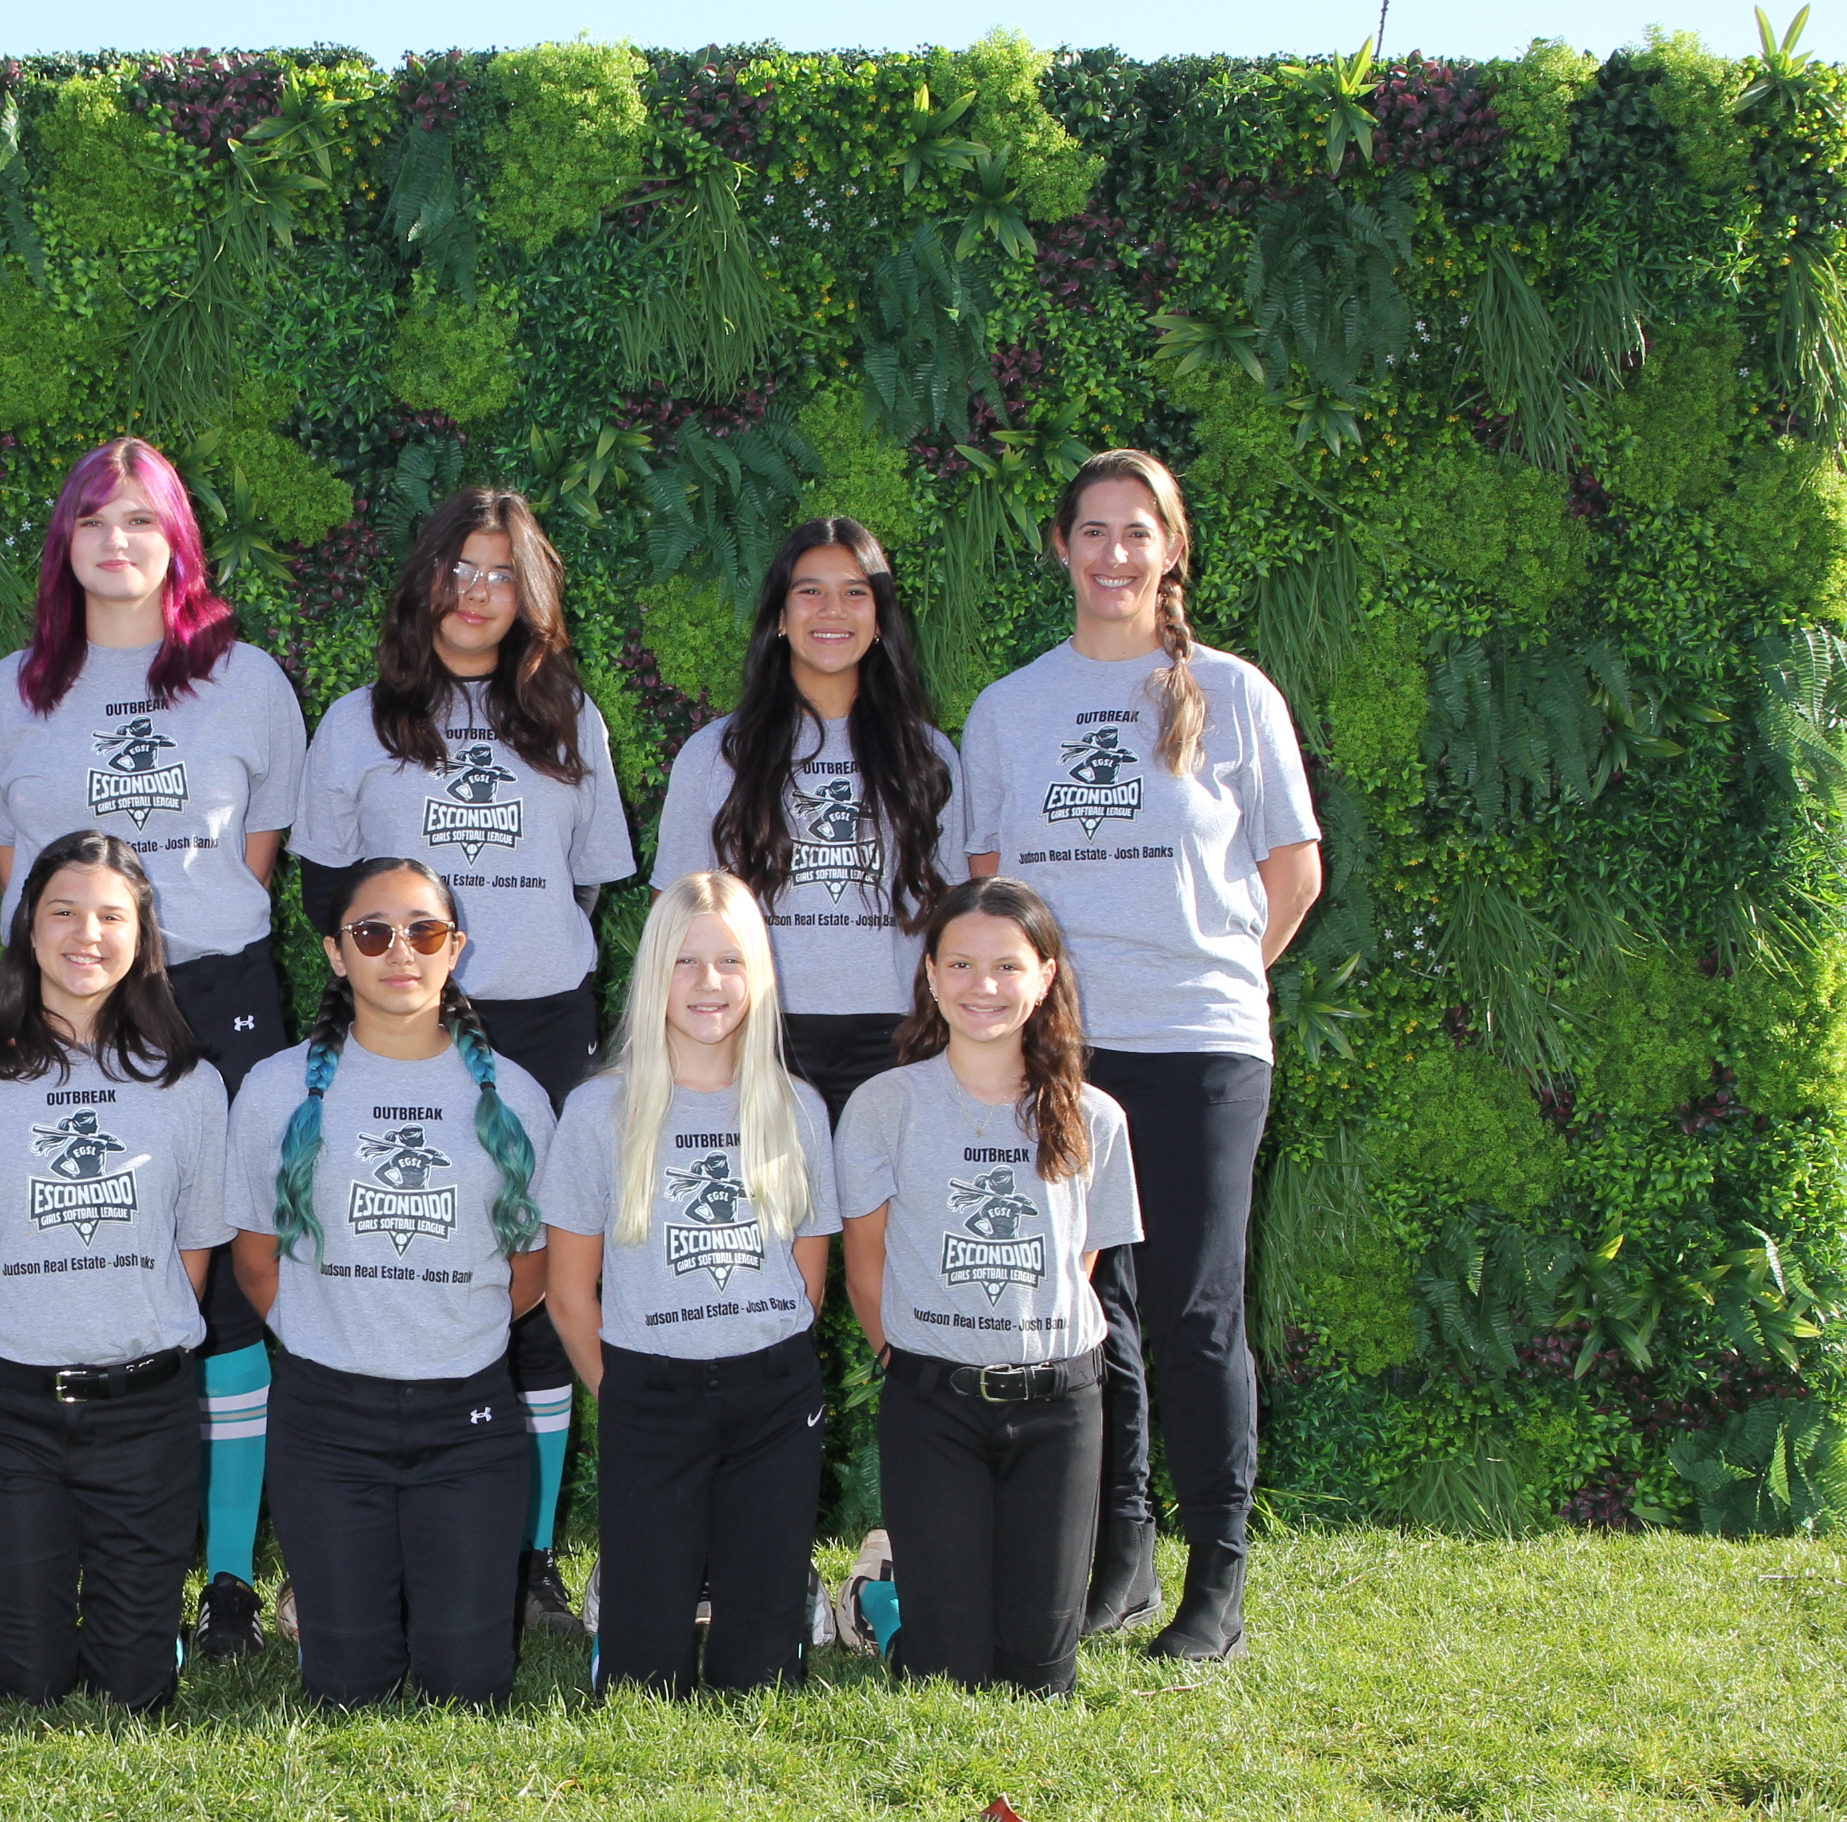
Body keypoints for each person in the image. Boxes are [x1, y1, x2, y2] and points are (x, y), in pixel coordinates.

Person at [959, 450, 1323, 1663]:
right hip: (1065, 1049)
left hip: (1201, 1044)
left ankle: (1217, 1580)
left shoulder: (1233, 693)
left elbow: (1294, 875)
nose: (1115, 554)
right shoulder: (1011, 709)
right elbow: (991, 894)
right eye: (1094, 532)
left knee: (1194, 1308)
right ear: (1061, 547)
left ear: (1171, 550)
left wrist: (1213, 976)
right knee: (1089, 1304)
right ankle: (1121, 1554)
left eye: (1138, 532)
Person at [0, 437, 306, 1662]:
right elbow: (17, 877)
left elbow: (253, 860)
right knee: (80, 1240)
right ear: (64, 541)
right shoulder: (11, 692)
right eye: (95, 520)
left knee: (231, 1281)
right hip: (69, 1002)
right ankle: (41, 1545)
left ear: (179, 541)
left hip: (213, 990)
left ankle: (227, 1577)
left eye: (142, 521)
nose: (118, 542)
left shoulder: (247, 682)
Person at [296, 487, 633, 1635]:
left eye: (502, 573)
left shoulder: (570, 717)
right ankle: (369, 1524)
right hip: (403, 1025)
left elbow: (584, 885)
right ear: (424, 580)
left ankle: (527, 1554)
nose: (479, 593)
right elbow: (329, 892)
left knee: (533, 1274)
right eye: (460, 568)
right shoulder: (358, 722)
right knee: (400, 1251)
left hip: (537, 1020)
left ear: (531, 593)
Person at [0, 831, 231, 1711]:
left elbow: (192, 1256)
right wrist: (8, 1356)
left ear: (141, 936)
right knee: (31, 1682)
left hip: (147, 1412)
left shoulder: (188, 1084)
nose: (86, 935)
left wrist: (127, 1337)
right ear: (27, 927)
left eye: (111, 916)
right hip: (17, 1411)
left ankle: (146, 1622)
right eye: (63, 911)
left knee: (136, 1691)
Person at [224, 857, 555, 1705]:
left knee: (470, 1687)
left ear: (455, 948)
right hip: (325, 1419)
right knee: (348, 1686)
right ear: (336, 954)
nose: (400, 951)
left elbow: (533, 1268)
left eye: (424, 931)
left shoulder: (515, 1096)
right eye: (372, 934)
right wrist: (332, 1332)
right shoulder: (275, 1089)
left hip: (468, 1418)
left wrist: (447, 1329)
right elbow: (256, 1260)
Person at [836, 878, 1140, 1697]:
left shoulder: (1094, 1117)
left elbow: (1079, 1263)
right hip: (935, 1406)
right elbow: (865, 1264)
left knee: (1040, 1678)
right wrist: (915, 1365)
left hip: (1059, 1408)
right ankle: (883, 1601)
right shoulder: (885, 1106)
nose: (985, 986)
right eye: (962, 964)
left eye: (1008, 965)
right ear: (931, 974)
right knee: (949, 1673)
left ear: (1045, 977)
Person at [542, 874, 837, 1696]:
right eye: (685, 961)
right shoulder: (599, 1112)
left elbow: (807, 1282)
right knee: (643, 1681)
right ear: (653, 974)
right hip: (649, 1393)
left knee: (762, 1680)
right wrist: (627, 1394)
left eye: (730, 960)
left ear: (759, 974)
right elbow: (568, 1294)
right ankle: (627, 1630)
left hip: (774, 1399)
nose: (709, 982)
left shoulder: (798, 1109)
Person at [650, 517, 960, 1127]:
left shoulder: (928, 756)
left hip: (898, 1034)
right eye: (810, 590)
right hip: (757, 1030)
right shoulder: (716, 754)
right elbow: (674, 915)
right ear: (780, 616)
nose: (832, 610)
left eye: (855, 592)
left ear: (880, 618)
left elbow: (955, 912)